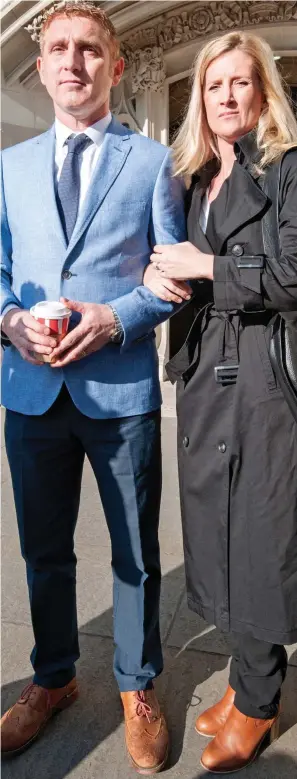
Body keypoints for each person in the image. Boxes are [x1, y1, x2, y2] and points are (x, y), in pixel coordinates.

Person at [0, 2, 189, 772]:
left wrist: (114, 318)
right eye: (58, 49)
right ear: (41, 67)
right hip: (32, 390)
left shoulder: (151, 162)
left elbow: (171, 274)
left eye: (88, 49)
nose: (72, 61)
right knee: (44, 552)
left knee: (134, 555)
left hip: (119, 394)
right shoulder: (7, 167)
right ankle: (52, 678)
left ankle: (137, 686)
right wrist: (8, 319)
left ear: (114, 67)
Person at [144, 31, 297, 774]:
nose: (226, 97)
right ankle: (242, 682)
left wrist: (207, 264)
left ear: (262, 92)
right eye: (213, 86)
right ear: (198, 100)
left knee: (262, 540)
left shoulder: (289, 166)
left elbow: (295, 270)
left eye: (240, 83)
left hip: (266, 384)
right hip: (206, 375)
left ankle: (260, 705)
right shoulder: (194, 174)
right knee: (218, 533)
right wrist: (169, 277)